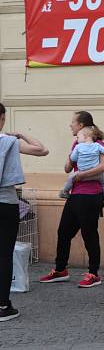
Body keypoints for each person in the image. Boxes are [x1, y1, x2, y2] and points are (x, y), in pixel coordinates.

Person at [39, 111, 104, 288]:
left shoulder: (97, 143)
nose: (70, 125)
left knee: (89, 234)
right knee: (63, 232)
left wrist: (82, 174)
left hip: (91, 195)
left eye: (73, 122)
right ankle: (60, 270)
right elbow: (67, 168)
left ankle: (94, 274)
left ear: (81, 126)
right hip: (75, 194)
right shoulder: (76, 143)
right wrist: (71, 158)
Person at [0, 102, 49, 321]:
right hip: (5, 203)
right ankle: (3, 306)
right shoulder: (9, 142)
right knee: (3, 254)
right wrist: (21, 134)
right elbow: (42, 150)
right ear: (2, 118)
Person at [60, 126, 104, 210]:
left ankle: (65, 192)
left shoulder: (78, 146)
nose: (77, 139)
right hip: (96, 174)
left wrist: (74, 155)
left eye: (78, 137)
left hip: (80, 174)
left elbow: (73, 158)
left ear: (85, 137)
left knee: (70, 178)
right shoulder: (97, 145)